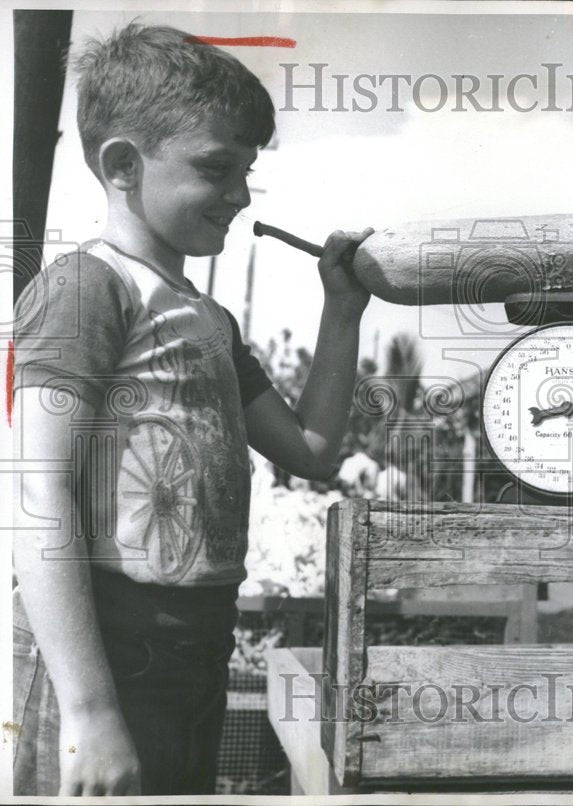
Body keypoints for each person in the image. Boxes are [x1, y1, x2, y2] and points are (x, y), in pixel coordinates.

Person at [12, 24, 372, 796]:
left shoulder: (209, 320)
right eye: (217, 169)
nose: (241, 196)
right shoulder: (87, 289)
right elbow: (36, 494)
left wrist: (341, 313)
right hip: (107, 644)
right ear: (122, 165)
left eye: (247, 172)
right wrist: (91, 709)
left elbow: (311, 449)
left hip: (198, 645)